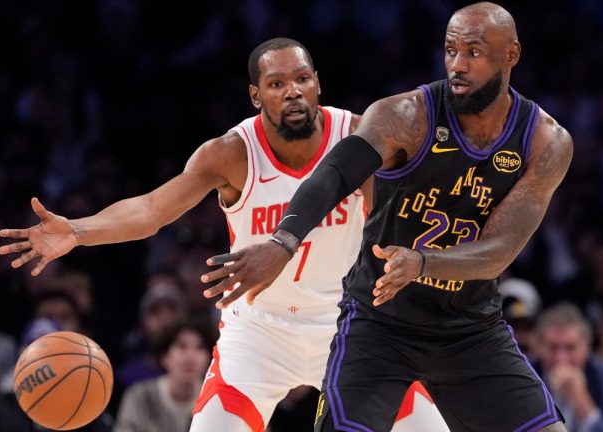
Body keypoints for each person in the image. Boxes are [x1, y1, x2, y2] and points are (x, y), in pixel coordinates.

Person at [0, 38, 446, 432]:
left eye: (302, 79)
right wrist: (78, 230)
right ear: (256, 95)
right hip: (259, 333)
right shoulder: (232, 153)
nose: (292, 91)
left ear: (317, 85)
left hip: (350, 322)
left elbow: (408, 218)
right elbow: (151, 210)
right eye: (276, 83)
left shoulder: (358, 137)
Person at [201, 3, 573, 431]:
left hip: (470, 329)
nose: (457, 64)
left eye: (473, 52)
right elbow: (335, 173)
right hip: (379, 325)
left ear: (511, 54)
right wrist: (283, 242)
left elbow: (499, 251)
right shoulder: (406, 115)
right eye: (450, 50)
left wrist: (422, 263)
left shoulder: (545, 141)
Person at [532, 302, 603, 432]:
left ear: (587, 347)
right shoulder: (523, 375)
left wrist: (582, 403)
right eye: (553, 347)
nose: (561, 358)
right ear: (538, 347)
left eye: (570, 348)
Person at [114, 319, 215, 432]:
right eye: (182, 346)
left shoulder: (216, 402)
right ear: (165, 357)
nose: (191, 356)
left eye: (200, 347)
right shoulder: (139, 397)